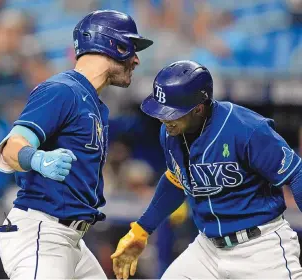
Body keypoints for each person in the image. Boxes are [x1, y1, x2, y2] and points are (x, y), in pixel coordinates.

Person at [0, 9, 153, 279]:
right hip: (42, 234)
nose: (136, 59)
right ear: (113, 44)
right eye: (131, 47)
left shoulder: (95, 104)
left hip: (73, 240)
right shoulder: (62, 89)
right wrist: (37, 159)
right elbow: (10, 149)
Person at [111, 60, 302, 279]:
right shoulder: (169, 133)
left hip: (260, 248)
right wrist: (142, 229)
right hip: (208, 248)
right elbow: (175, 181)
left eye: (172, 113)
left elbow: (296, 174)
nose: (164, 119)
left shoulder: (246, 128)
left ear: (199, 108)